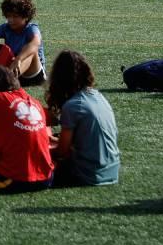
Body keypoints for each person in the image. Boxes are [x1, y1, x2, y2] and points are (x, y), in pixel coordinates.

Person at [44, 49, 120, 186]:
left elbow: (62, 152)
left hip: (87, 174)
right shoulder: (99, 96)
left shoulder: (73, 106)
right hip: (112, 171)